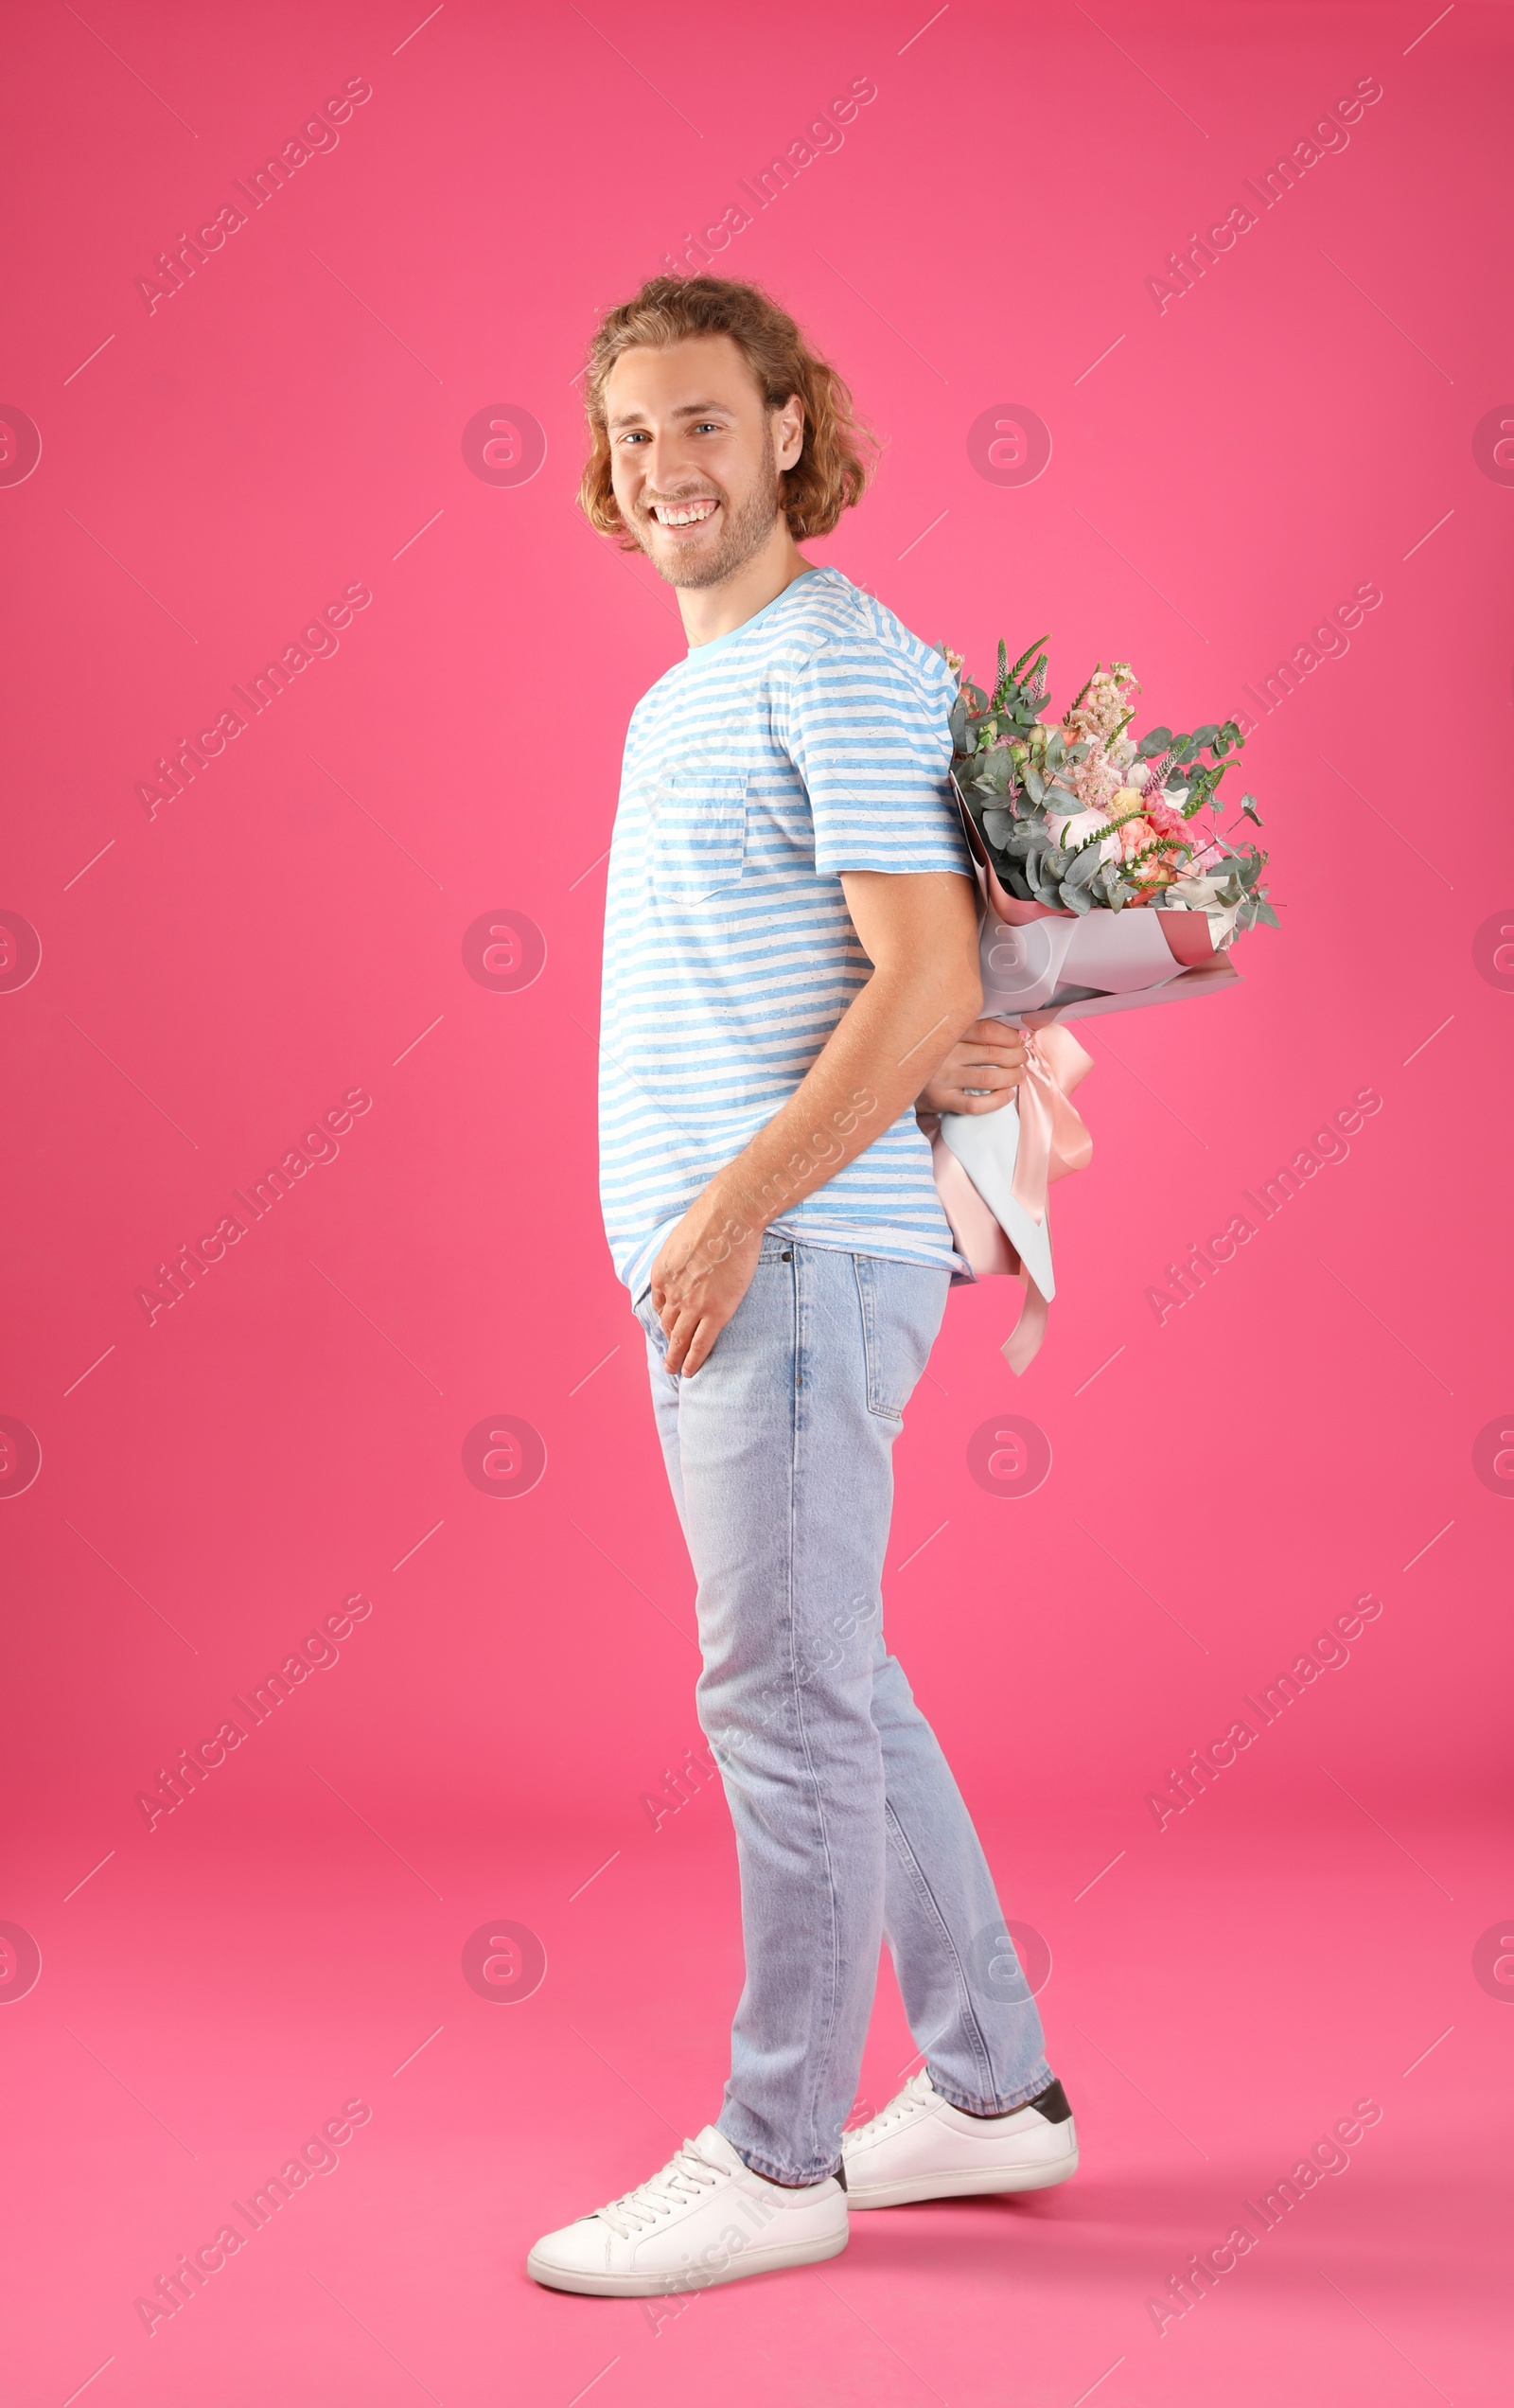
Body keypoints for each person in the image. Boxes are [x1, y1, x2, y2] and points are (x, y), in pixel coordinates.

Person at [528, 275, 1077, 2300]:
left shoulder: (829, 655)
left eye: (697, 421)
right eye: (628, 434)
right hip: (745, 1266)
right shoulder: (694, 688)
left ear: (783, 431)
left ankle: (775, 2157)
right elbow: (896, 992)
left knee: (772, 1695)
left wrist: (735, 1208)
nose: (660, 465)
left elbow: (929, 974)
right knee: (834, 1676)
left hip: (787, 1267)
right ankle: (992, 2089)